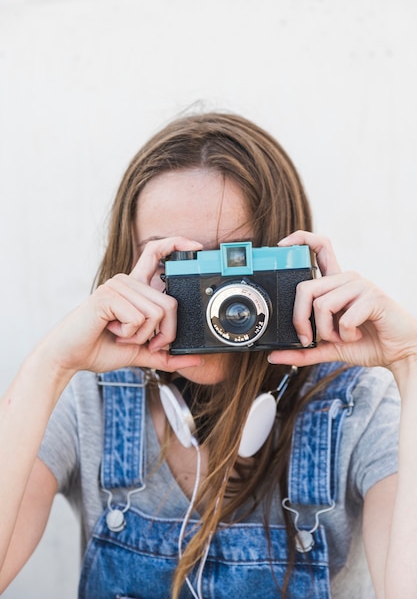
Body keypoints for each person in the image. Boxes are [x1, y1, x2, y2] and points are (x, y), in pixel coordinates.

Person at [1, 112, 417, 599]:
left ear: (289, 264)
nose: (217, 300)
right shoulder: (88, 399)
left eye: (233, 260)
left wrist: (410, 361)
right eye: (176, 263)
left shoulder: (357, 407)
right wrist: (48, 367)